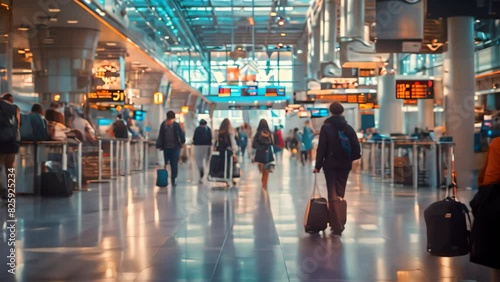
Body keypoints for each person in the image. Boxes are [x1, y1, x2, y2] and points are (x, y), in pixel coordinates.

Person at [313, 102, 361, 236]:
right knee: (340, 193)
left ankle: (336, 225)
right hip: (344, 165)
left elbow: (321, 148)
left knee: (332, 192)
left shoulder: (326, 127)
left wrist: (317, 166)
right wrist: (348, 159)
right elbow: (357, 150)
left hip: (330, 164)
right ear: (342, 112)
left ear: (331, 112)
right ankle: (338, 221)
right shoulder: (348, 128)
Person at [156, 111, 186, 186]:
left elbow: (181, 134)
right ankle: (164, 178)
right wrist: (159, 145)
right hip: (167, 147)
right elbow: (161, 135)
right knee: (166, 163)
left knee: (174, 163)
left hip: (174, 147)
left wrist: (182, 141)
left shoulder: (175, 125)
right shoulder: (164, 125)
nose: (171, 121)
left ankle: (173, 178)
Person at [0, 94, 20, 202]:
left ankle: (2, 190)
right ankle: (11, 194)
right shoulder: (16, 108)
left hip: (1, 143)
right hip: (12, 143)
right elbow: (18, 126)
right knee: (10, 170)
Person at [252, 119, 274, 190]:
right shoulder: (269, 133)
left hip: (260, 151)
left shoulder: (258, 132)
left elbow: (254, 143)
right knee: (266, 167)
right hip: (267, 151)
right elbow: (272, 143)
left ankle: (262, 180)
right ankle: (264, 183)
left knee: (260, 164)